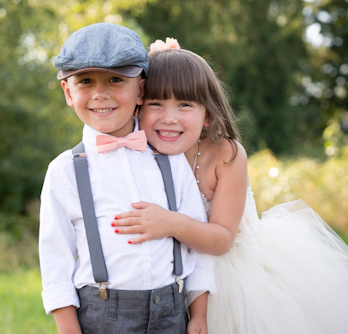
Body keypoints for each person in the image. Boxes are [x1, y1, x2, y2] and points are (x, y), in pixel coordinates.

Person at [113, 38, 348, 333]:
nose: (168, 117)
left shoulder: (225, 155)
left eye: (184, 104)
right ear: (137, 107)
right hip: (167, 275)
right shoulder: (136, 154)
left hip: (236, 276)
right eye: (155, 103)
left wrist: (168, 222)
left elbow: (223, 239)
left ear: (208, 114)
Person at [39, 25, 215, 334]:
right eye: (85, 81)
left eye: (116, 79)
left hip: (171, 313)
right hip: (99, 316)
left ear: (141, 90)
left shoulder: (172, 161)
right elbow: (56, 262)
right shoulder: (64, 171)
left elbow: (195, 246)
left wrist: (198, 314)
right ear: (68, 92)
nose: (100, 94)